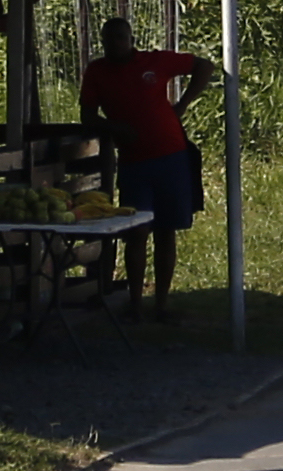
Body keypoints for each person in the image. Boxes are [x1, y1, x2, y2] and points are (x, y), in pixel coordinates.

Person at [79, 17, 213, 321]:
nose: (115, 44)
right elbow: (87, 114)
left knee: (167, 231)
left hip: (172, 156)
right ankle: (136, 303)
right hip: (133, 161)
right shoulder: (97, 72)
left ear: (130, 39)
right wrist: (114, 127)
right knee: (137, 231)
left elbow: (203, 66)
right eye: (109, 39)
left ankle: (162, 304)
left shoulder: (154, 61)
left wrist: (182, 104)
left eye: (121, 38)